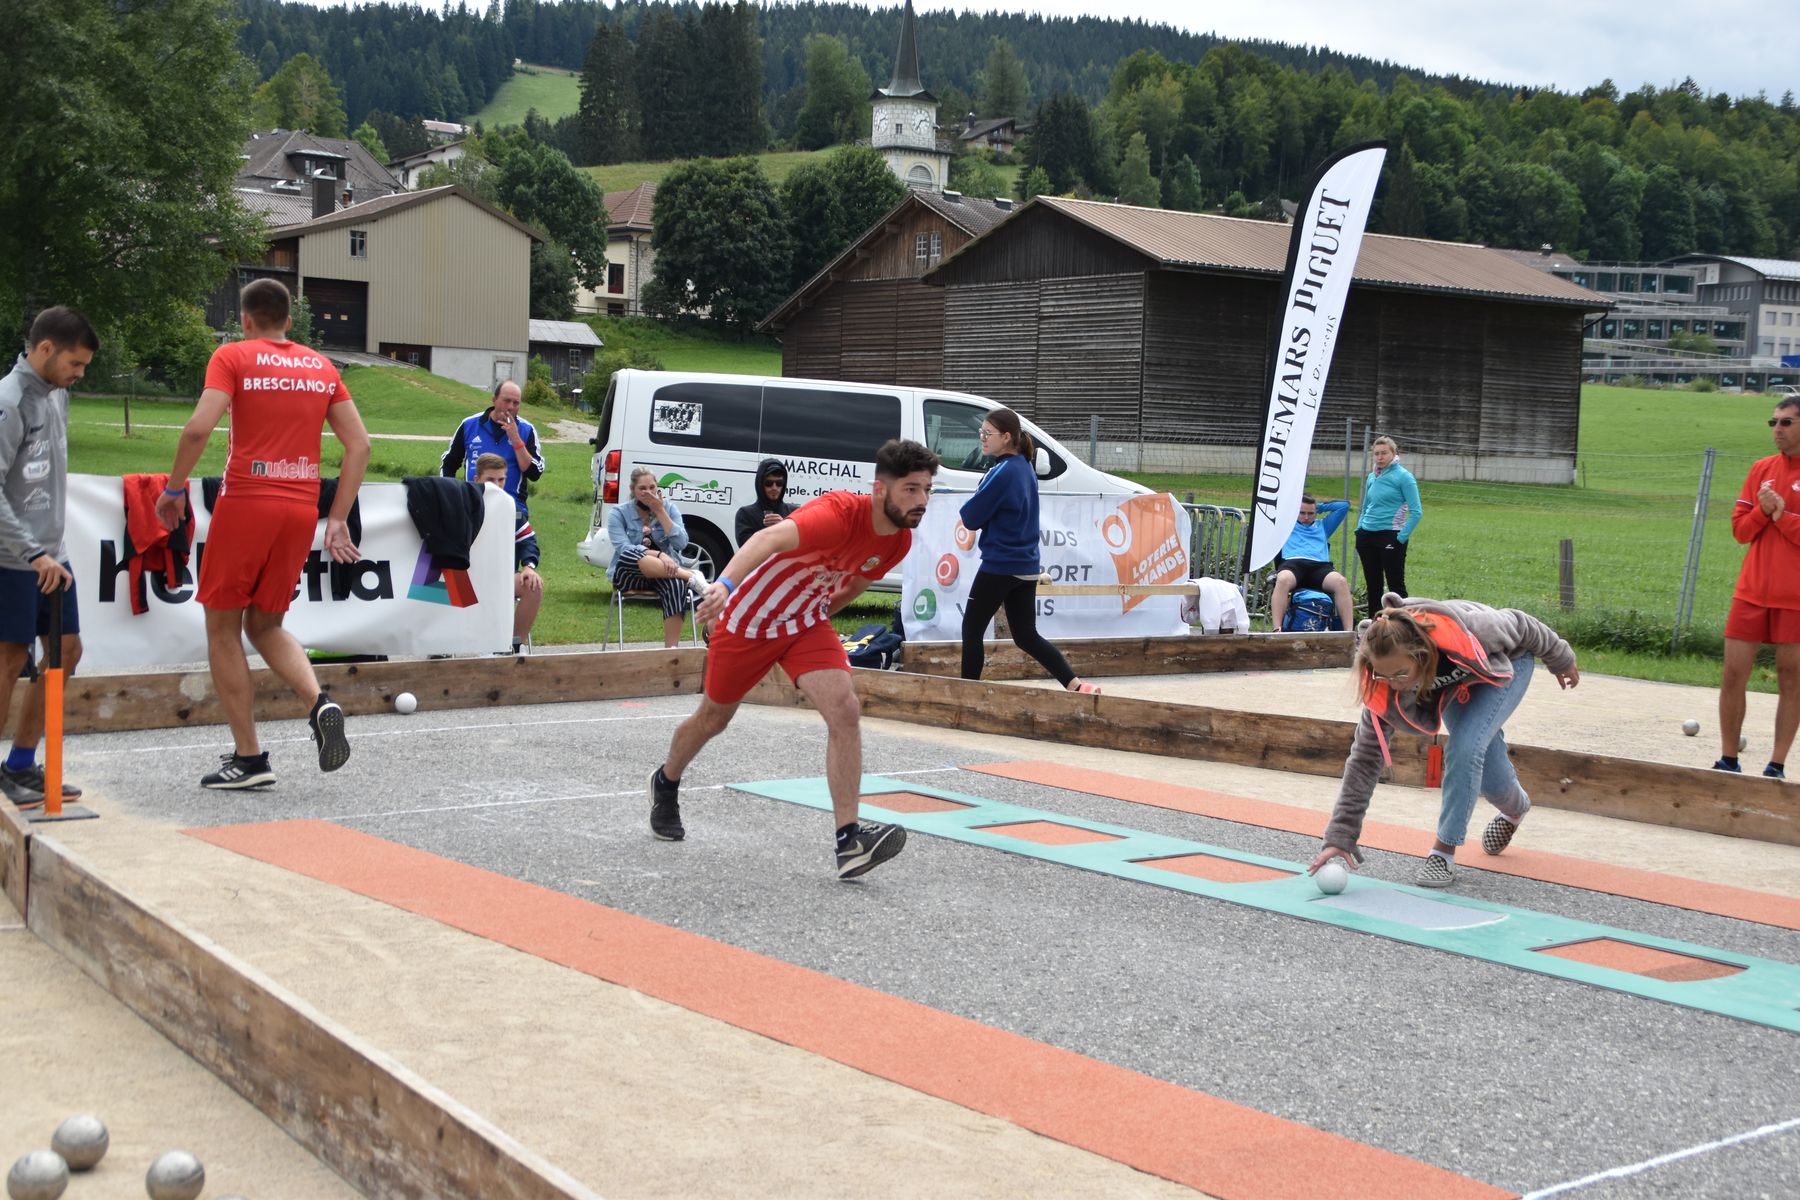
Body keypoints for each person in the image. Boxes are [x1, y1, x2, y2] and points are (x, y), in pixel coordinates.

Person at [648, 439, 940, 879]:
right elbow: (766, 538)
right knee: (713, 719)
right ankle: (667, 780)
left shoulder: (898, 541)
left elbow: (856, 584)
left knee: (845, 709)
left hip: (804, 622)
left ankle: (849, 841)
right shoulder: (837, 514)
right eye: (911, 490)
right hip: (749, 621)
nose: (922, 501)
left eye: (927, 490)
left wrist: (817, 614)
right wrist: (724, 586)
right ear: (880, 489)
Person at [155, 279, 371, 790]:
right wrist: (338, 517)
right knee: (266, 623)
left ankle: (249, 758)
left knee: (222, 627)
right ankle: (319, 701)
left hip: (247, 502)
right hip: (300, 507)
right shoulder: (321, 366)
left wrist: (174, 489)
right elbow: (359, 445)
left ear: (245, 319)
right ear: (289, 321)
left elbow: (197, 429)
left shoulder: (232, 356)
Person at [1309, 594, 1579, 889]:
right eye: (1383, 676)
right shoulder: (1385, 683)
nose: (1394, 684)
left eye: (1400, 673)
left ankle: (1443, 852)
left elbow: (1522, 623)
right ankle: (1515, 809)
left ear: (1422, 655)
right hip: (1453, 684)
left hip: (1504, 662)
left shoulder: (1476, 628)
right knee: (1482, 760)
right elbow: (1364, 759)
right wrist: (1340, 837)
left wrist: (1561, 658)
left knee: (1466, 747)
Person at [0, 308, 97, 810]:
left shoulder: (57, 394)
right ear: (44, 349)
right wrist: (32, 552)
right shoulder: (9, 401)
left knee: (66, 650)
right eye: (74, 363)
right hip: (13, 557)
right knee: (9, 658)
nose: (79, 373)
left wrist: (48, 551)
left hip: (50, 556)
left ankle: (21, 764)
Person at [957, 407, 1098, 693]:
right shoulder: (1023, 466)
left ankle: (966, 695)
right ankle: (1075, 685)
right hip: (1026, 565)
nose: (982, 437)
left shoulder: (1003, 472)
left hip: (1000, 564)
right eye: (981, 432)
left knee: (972, 630)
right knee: (1025, 635)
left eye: (988, 433)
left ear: (1006, 437)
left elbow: (970, 516)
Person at [1716, 395, 1800, 778]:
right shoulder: (1761, 469)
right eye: (1774, 422)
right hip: (1751, 592)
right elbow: (1740, 531)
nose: (1777, 429)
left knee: (1791, 681)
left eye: (1786, 422)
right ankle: (1728, 760)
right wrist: (1764, 511)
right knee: (1733, 675)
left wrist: (1782, 516)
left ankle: (1776, 765)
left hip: (1794, 599)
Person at [608, 466, 709, 648]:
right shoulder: (619, 513)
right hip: (629, 574)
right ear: (633, 490)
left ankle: (671, 650)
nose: (648, 493)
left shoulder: (669, 509)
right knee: (631, 554)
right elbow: (623, 548)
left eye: (652, 487)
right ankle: (691, 576)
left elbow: (681, 543)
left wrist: (661, 512)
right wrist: (659, 554)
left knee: (676, 585)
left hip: (664, 573)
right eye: (642, 489)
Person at [440, 379, 544, 517]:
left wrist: (516, 439)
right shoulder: (469, 425)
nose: (510, 407)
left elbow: (535, 473)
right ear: (494, 400)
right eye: (506, 401)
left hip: (513, 510)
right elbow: (449, 464)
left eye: (516, 403)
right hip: (474, 507)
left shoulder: (526, 430)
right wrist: (451, 496)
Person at [473, 452, 542, 653]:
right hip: (466, 577)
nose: (497, 485)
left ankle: (513, 645)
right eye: (490, 480)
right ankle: (441, 644)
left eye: (501, 479)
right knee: (430, 583)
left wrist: (528, 567)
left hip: (501, 578)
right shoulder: (463, 504)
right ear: (477, 479)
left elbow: (529, 542)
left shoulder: (512, 509)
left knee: (533, 585)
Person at [1354, 435, 1423, 622]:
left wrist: (1400, 538)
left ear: (1394, 453)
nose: (1380, 457)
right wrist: (1359, 529)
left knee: (1395, 586)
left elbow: (1417, 512)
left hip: (1391, 536)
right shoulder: (1372, 477)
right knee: (1373, 585)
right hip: (1366, 536)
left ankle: (1402, 625)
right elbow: (1366, 506)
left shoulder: (1404, 477)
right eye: (1376, 453)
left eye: (1384, 453)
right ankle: (1374, 626)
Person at [1268, 494, 1354, 632]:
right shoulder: (1286, 524)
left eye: (1310, 513)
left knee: (1341, 582)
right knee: (1282, 580)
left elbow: (1344, 506)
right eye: (1302, 513)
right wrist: (1294, 508)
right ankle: (1277, 629)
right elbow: (1274, 505)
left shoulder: (1323, 525)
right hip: (1293, 564)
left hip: (1320, 567)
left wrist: (1318, 507)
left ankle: (1348, 632)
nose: (1306, 517)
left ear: (1316, 512)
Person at [735, 457, 795, 547]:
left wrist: (784, 527)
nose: (774, 488)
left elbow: (803, 545)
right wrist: (776, 531)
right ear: (760, 484)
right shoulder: (745, 514)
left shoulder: (794, 512)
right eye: (769, 483)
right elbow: (747, 547)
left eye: (779, 483)